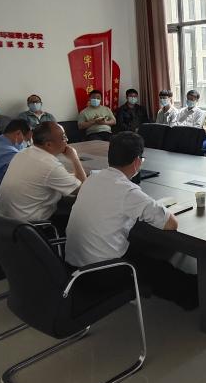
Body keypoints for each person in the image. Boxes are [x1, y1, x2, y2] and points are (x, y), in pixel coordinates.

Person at [66, 132, 198, 310]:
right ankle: (196, 296)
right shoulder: (127, 192)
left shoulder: (92, 178)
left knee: (145, 248)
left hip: (74, 266)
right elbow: (171, 224)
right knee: (159, 269)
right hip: (102, 273)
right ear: (137, 162)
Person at [0, 121, 86, 224]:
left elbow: (42, 177)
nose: (67, 140)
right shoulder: (50, 166)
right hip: (28, 226)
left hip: (3, 220)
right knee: (81, 205)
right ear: (48, 144)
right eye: (63, 137)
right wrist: (75, 158)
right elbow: (83, 189)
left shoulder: (23, 153)